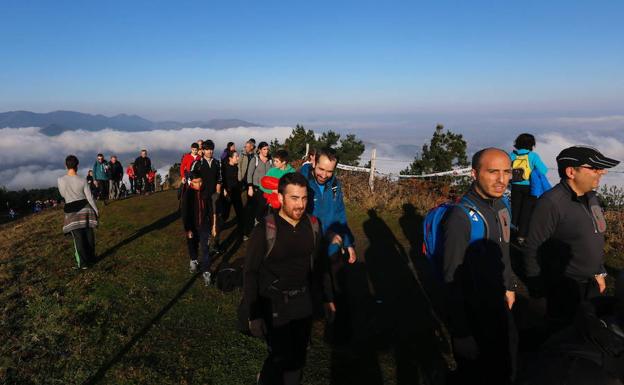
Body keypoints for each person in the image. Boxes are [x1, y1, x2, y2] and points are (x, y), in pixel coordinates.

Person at [243, 172, 335, 385]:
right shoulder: (265, 229)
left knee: (299, 358)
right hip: (274, 303)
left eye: (304, 198)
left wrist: (328, 298)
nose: (300, 204)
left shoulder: (313, 225)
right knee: (280, 357)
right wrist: (254, 314)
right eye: (294, 198)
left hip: (303, 302)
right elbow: (250, 272)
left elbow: (321, 265)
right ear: (281, 197)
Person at [441, 148, 517, 385]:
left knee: (504, 367)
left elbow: (504, 250)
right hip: (473, 313)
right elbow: (451, 278)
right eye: (493, 172)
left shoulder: (502, 206)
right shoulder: (460, 218)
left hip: (498, 303)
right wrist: (461, 333)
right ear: (474, 174)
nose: (501, 179)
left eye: (507, 172)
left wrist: (509, 285)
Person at [523, 146, 620, 330]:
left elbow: (595, 235)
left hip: (590, 285)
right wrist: (537, 294)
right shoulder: (551, 203)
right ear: (571, 172)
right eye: (594, 168)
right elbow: (533, 248)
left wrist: (599, 271)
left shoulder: (591, 197)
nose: (602, 172)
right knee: (563, 338)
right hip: (563, 289)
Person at [58, 155, 99, 269]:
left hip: (71, 211)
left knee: (78, 238)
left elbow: (63, 195)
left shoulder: (60, 180)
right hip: (86, 209)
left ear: (66, 165)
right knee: (89, 235)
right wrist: (96, 210)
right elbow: (89, 197)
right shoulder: (82, 179)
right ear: (77, 165)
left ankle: (83, 263)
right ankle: (92, 258)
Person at [509, 133, 548, 244]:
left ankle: (511, 232)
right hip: (530, 187)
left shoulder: (512, 155)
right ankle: (521, 236)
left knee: (515, 209)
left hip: (515, 186)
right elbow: (543, 170)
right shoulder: (533, 156)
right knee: (527, 211)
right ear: (532, 144)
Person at [180, 162, 214, 286]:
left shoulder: (206, 193)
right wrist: (188, 229)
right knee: (192, 244)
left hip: (204, 225)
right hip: (192, 226)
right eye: (195, 182)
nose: (198, 184)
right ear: (191, 182)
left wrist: (212, 225)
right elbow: (185, 213)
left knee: (205, 248)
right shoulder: (188, 194)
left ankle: (206, 272)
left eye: (200, 182)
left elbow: (210, 209)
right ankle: (193, 260)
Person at [199, 140, 221, 258]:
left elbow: (219, 178)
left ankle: (216, 243)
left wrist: (217, 193)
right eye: (207, 149)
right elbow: (192, 177)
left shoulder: (217, 163)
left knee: (215, 219)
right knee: (204, 220)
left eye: (211, 149)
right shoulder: (198, 163)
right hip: (202, 196)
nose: (210, 151)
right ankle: (206, 241)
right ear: (203, 150)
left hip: (213, 195)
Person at [247, 141, 273, 224]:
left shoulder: (271, 161)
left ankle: (262, 225)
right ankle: (255, 225)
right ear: (259, 150)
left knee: (266, 208)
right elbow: (249, 174)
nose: (266, 151)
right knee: (258, 207)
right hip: (257, 188)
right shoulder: (255, 160)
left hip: (268, 189)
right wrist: (250, 187)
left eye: (267, 149)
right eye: (264, 149)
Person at [221, 150, 244, 234]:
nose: (238, 158)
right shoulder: (224, 168)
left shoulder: (236, 167)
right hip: (227, 194)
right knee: (225, 215)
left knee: (240, 213)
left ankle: (242, 233)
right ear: (230, 158)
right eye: (236, 156)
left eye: (238, 156)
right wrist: (224, 190)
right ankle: (217, 231)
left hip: (236, 193)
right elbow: (222, 181)